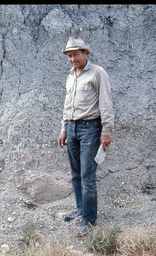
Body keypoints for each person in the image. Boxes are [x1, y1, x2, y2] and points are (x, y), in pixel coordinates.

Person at [57, 36, 114, 236]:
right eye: (69, 56)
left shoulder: (98, 73)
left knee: (87, 176)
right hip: (72, 128)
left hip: (90, 128)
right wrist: (64, 129)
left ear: (85, 53)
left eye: (76, 55)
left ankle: (89, 221)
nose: (72, 59)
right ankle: (81, 211)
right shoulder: (71, 75)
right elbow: (67, 104)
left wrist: (106, 132)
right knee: (75, 174)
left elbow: (106, 104)